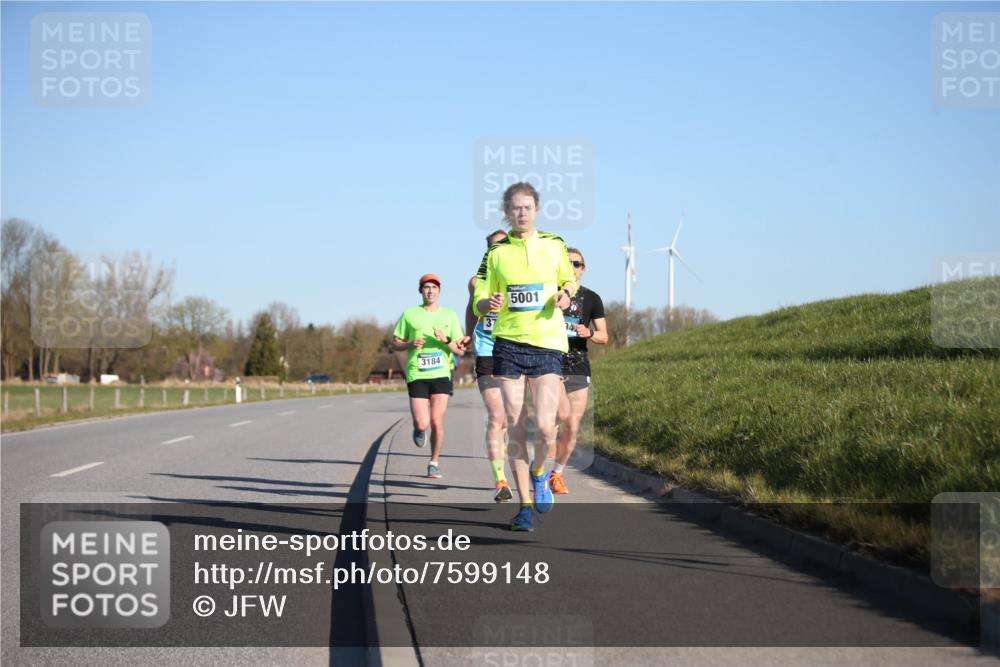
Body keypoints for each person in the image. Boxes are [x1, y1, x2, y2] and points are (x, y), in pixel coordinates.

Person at [474, 182, 577, 531]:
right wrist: (486, 303)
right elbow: (480, 295)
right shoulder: (496, 254)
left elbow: (569, 280)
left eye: (527, 207)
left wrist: (565, 293)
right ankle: (524, 507)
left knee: (547, 427)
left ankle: (538, 473)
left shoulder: (554, 245)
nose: (521, 213)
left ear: (536, 209)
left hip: (547, 343)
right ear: (507, 212)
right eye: (515, 208)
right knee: (515, 428)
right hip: (508, 346)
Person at [392, 273, 469, 479]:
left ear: (439, 291)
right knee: (423, 423)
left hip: (441, 373)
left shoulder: (449, 316)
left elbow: (460, 350)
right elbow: (395, 342)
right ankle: (418, 429)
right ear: (421, 291)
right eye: (426, 287)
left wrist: (446, 340)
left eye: (434, 287)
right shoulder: (409, 314)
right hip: (417, 372)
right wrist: (409, 344)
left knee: (437, 420)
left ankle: (434, 462)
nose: (430, 291)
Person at [549, 247, 608, 494]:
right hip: (550, 362)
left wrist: (589, 333)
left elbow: (604, 336)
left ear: (583, 268)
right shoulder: (550, 295)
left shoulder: (592, 298)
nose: (573, 267)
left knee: (572, 424)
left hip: (578, 364)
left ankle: (557, 473)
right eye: (568, 263)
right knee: (552, 422)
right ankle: (539, 469)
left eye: (576, 264)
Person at [466, 229, 513, 503]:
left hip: (514, 351)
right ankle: (500, 481)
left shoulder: (517, 280)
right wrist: (467, 335)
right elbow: (471, 308)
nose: (496, 251)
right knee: (497, 417)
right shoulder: (476, 282)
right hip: (486, 352)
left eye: (501, 246)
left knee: (509, 418)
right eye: (491, 248)